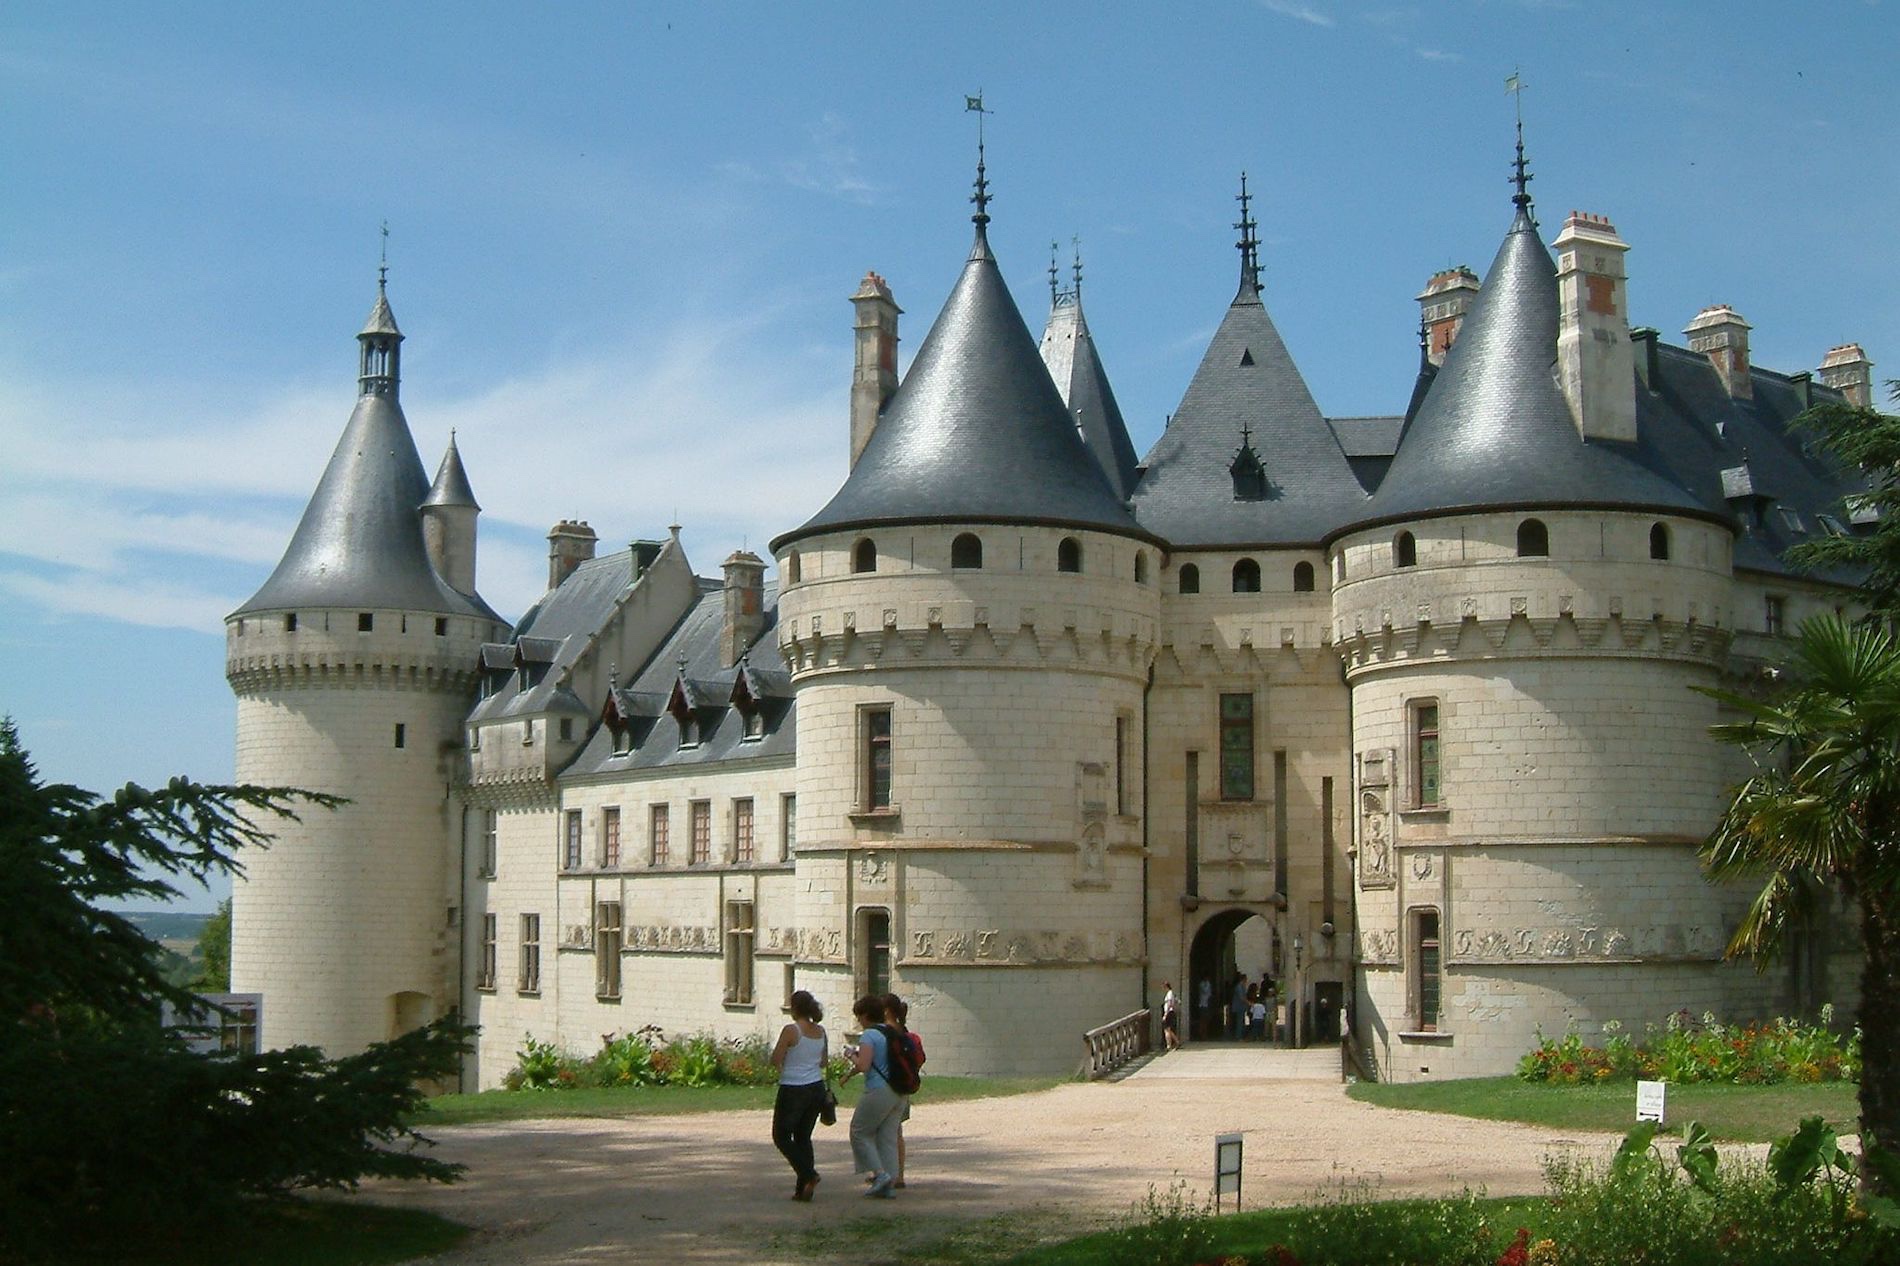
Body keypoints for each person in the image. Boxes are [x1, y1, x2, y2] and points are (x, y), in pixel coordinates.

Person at [841, 994, 904, 1198]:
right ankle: (890, 1181)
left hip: (879, 1089)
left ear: (866, 1015)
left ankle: (879, 1174)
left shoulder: (869, 1035)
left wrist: (851, 1055)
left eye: (859, 1016)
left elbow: (864, 1065)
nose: (859, 1020)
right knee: (887, 1137)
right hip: (899, 1091)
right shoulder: (891, 1032)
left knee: (859, 1131)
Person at [769, 990, 830, 1201]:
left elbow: (776, 1057)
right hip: (816, 1087)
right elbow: (823, 1062)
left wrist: (782, 1066)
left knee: (781, 1135)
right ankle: (803, 1189)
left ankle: (808, 1174)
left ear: (795, 1008)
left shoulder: (791, 1030)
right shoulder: (821, 1031)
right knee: (803, 1136)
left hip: (794, 1087)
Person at [881, 992, 924, 1188]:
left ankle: (884, 1174)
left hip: (887, 1088)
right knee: (897, 1132)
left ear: (887, 1011)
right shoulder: (908, 1035)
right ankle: (899, 1175)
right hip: (904, 1089)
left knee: (880, 1132)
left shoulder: (885, 1034)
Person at [1161, 981, 1181, 1051]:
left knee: (1166, 1029)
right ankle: (1177, 1042)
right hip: (1171, 1012)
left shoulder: (1169, 993)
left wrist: (1165, 1014)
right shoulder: (1172, 993)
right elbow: (1178, 1001)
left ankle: (1168, 1045)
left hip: (1168, 1012)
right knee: (1169, 1030)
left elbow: (1169, 1003)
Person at [1228, 975, 1248, 1041]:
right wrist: (1249, 1003)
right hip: (1239, 1006)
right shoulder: (1239, 987)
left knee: (1241, 1022)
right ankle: (1238, 1036)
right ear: (1243, 979)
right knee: (1239, 1022)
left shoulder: (1243, 986)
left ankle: (1241, 1036)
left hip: (1241, 1006)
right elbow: (1242, 998)